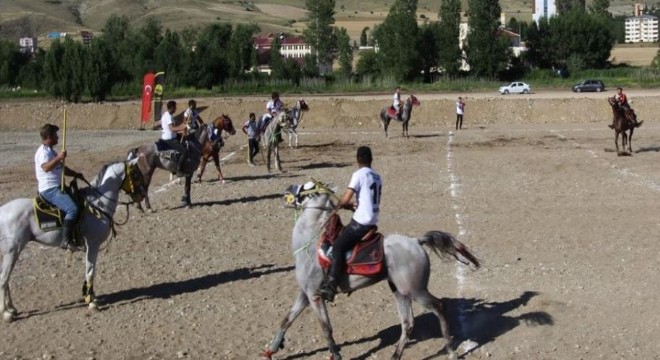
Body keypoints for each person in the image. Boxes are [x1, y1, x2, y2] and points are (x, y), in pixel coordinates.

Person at [319, 146, 382, 302]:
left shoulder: (358, 174)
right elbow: (365, 199)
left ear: (358, 159)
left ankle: (331, 286)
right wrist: (351, 205)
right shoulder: (377, 176)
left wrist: (340, 204)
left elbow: (345, 198)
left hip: (361, 223)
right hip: (372, 220)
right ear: (371, 159)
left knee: (338, 246)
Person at [35, 123, 85, 251]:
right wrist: (59, 157)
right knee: (72, 209)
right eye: (56, 135)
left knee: (81, 200)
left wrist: (76, 174)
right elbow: (46, 167)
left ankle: (77, 234)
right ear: (49, 137)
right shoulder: (43, 152)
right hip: (49, 189)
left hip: (57, 186)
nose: (58, 137)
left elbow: (61, 168)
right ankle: (66, 241)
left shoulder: (52, 152)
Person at [155, 100, 188, 176]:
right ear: (172, 107)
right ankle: (179, 170)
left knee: (187, 140)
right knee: (184, 151)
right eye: (175, 107)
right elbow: (172, 129)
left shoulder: (168, 115)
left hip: (172, 136)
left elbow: (173, 130)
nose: (176, 109)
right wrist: (182, 128)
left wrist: (181, 131)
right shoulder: (168, 117)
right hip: (169, 139)